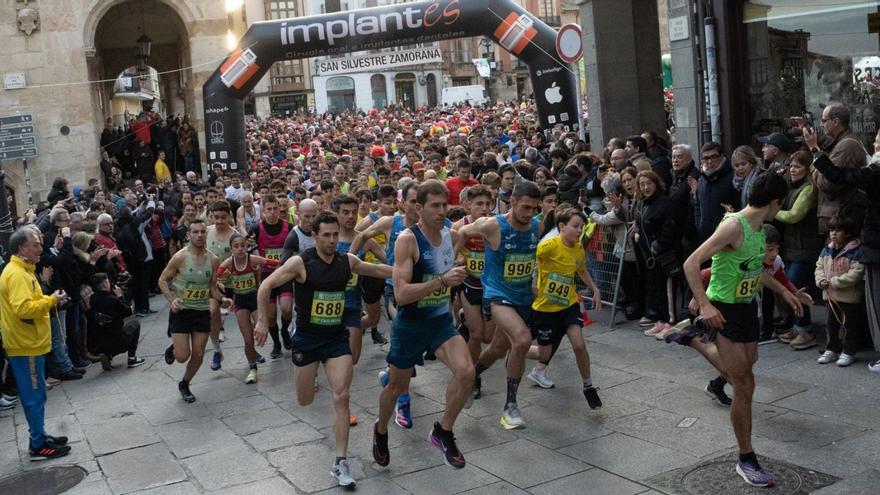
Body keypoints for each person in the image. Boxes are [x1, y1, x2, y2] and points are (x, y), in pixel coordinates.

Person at [679, 172, 804, 488]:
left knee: (747, 367)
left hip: (748, 309)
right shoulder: (733, 225)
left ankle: (693, 339)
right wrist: (704, 304)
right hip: (725, 311)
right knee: (744, 384)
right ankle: (746, 459)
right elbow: (691, 263)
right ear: (774, 202)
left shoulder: (760, 228)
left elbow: (754, 271)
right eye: (781, 204)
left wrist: (784, 291)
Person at [255, 212, 392, 488]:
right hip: (306, 339)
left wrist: (408, 272)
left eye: (334, 234)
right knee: (304, 400)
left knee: (342, 396)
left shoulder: (346, 261)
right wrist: (260, 318)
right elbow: (267, 284)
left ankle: (340, 462)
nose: (331, 240)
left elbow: (378, 270)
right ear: (314, 237)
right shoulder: (300, 262)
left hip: (335, 339)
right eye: (325, 235)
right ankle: (311, 375)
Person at [372, 180, 473, 470]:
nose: (442, 211)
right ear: (418, 208)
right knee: (396, 386)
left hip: (440, 322)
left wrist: (459, 262)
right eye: (435, 206)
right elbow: (401, 295)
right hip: (411, 325)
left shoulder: (451, 234)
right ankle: (380, 431)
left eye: (445, 205)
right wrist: (442, 281)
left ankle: (444, 431)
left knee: (466, 372)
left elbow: (457, 256)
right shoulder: (408, 239)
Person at [455, 181, 543, 430]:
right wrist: (453, 258)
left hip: (523, 296)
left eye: (534, 209)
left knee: (497, 349)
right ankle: (510, 407)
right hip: (496, 295)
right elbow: (462, 232)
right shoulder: (492, 225)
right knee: (523, 340)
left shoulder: (537, 225)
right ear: (512, 202)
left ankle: (472, 378)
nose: (529, 214)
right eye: (525, 207)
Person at [0, 227, 72, 460]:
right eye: (35, 245)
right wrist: (51, 300)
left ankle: (39, 436)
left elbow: (29, 301)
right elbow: (22, 309)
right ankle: (38, 445)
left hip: (28, 343)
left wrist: (51, 300)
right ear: (22, 248)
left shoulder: (22, 270)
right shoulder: (18, 274)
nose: (40, 248)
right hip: (25, 344)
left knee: (37, 393)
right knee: (33, 395)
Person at [526, 207, 603, 407]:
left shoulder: (578, 248)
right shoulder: (548, 246)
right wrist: (532, 286)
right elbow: (530, 261)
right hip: (544, 309)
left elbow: (581, 270)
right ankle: (516, 347)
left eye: (582, 227)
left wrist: (594, 289)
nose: (579, 231)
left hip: (568, 305)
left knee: (579, 344)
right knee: (544, 354)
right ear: (562, 226)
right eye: (576, 226)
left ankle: (588, 386)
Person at [159, 219, 231, 403]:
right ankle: (174, 348)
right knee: (183, 356)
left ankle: (185, 383)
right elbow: (162, 280)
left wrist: (221, 299)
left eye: (202, 232)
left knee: (198, 354)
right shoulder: (180, 257)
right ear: (189, 235)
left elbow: (212, 287)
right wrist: (172, 299)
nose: (199, 235)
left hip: (201, 311)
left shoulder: (213, 259)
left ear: (206, 234)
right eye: (195, 232)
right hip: (182, 310)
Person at [451, 185, 495, 399]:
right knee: (477, 335)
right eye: (479, 204)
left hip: (491, 286)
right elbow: (450, 252)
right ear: (468, 205)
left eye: (488, 204)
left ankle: (464, 323)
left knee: (488, 337)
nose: (485, 208)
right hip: (469, 284)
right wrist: (458, 259)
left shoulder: (497, 225)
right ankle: (473, 379)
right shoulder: (459, 226)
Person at [216, 233, 278, 383]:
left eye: (243, 246)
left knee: (263, 327)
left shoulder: (252, 259)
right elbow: (214, 277)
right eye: (236, 246)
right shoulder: (228, 263)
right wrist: (219, 283)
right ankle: (252, 369)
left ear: (246, 246)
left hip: (255, 300)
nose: (240, 249)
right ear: (231, 249)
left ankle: (258, 335)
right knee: (248, 340)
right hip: (241, 303)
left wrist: (288, 263)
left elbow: (271, 262)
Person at [774, 151, 820, 349]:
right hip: (792, 246)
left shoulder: (809, 189)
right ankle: (797, 325)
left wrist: (772, 212)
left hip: (805, 246)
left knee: (795, 285)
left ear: (807, 169)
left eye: (798, 167)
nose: (793, 170)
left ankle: (805, 329)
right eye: (791, 166)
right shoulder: (791, 186)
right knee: (791, 285)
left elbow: (794, 215)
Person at [814, 215, 866, 367]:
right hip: (830, 296)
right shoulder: (826, 250)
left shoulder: (856, 251)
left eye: (838, 230)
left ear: (848, 233)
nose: (833, 234)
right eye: (831, 230)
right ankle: (832, 348)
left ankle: (848, 351)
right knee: (831, 323)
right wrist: (821, 280)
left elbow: (856, 273)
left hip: (849, 296)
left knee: (849, 325)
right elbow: (819, 266)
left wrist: (833, 282)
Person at [248, 194, 292, 358]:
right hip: (267, 277)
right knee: (271, 316)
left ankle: (286, 330)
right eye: (269, 209)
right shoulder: (256, 229)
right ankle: (276, 343)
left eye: (276, 209)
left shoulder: (289, 227)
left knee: (287, 309)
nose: (273, 212)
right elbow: (243, 247)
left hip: (285, 274)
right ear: (263, 210)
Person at [353, 185, 397, 346]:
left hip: (391, 273)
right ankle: (348, 330)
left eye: (394, 203)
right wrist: (356, 256)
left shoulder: (397, 219)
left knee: (395, 313)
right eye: (387, 203)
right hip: (371, 273)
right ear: (378, 203)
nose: (392, 207)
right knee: (373, 318)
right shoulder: (370, 220)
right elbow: (354, 236)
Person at [85, 273, 145, 371]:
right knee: (135, 323)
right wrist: (120, 296)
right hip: (117, 342)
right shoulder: (112, 300)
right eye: (108, 281)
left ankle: (107, 355)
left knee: (106, 330)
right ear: (104, 284)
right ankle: (132, 358)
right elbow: (128, 312)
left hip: (100, 345)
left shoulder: (92, 299)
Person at [205, 201, 236, 370]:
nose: (219, 221)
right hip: (212, 285)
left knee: (248, 321)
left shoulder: (235, 236)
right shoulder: (207, 232)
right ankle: (217, 351)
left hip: (232, 284)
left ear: (229, 216)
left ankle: (252, 353)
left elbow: (240, 263)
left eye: (223, 217)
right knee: (212, 313)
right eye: (215, 217)